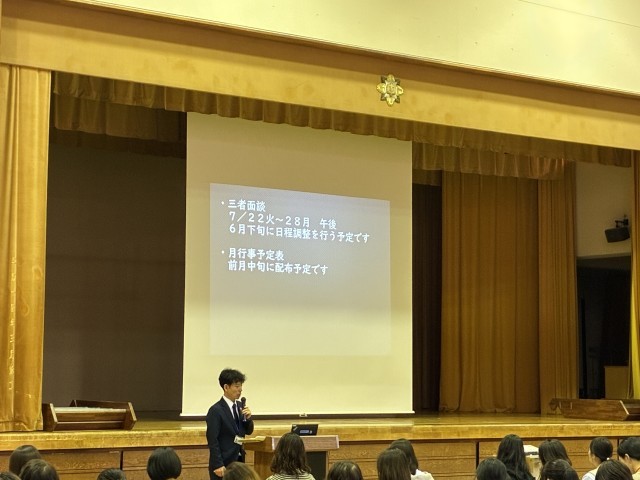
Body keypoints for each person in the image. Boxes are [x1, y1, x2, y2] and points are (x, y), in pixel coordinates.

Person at [206, 368, 254, 480]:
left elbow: (248, 431)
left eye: (241, 386)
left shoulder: (240, 406)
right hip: (223, 463)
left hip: (239, 462)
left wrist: (248, 419)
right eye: (236, 386)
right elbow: (212, 439)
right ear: (226, 387)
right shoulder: (216, 410)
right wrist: (218, 464)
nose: (240, 389)